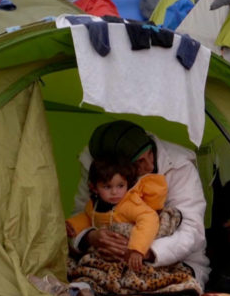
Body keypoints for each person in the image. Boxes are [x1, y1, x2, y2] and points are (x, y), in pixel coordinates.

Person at [71, 120, 211, 286]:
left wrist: (143, 251)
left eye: (150, 154)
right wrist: (90, 237)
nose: (150, 165)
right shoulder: (98, 166)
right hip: (105, 259)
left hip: (174, 262)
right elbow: (81, 214)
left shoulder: (179, 166)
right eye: (139, 162)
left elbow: (192, 231)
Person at [66, 157, 167, 271]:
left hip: (130, 255)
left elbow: (149, 218)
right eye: (107, 187)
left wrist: (137, 249)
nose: (114, 192)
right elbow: (88, 218)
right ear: (94, 188)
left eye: (120, 186)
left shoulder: (129, 204)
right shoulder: (93, 205)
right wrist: (71, 225)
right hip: (107, 256)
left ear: (127, 184)